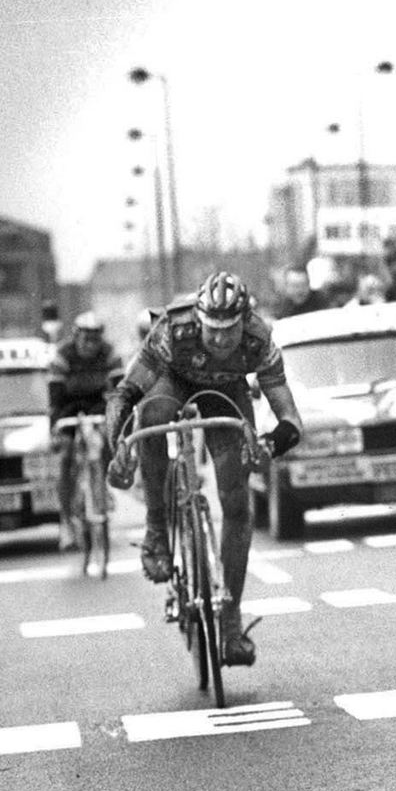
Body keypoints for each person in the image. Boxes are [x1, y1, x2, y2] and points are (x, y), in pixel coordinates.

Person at [103, 271, 303, 666]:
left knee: (237, 502)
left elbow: (291, 421)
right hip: (172, 380)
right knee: (152, 413)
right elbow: (124, 395)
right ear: (198, 318)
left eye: (229, 331)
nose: (218, 340)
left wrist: (268, 445)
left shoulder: (259, 340)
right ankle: (157, 529)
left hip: (227, 392)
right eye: (211, 329)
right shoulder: (173, 328)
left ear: (244, 321)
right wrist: (119, 448)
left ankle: (230, 625)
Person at [47, 313, 124, 551]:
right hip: (68, 403)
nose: (90, 344)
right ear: (76, 337)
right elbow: (55, 397)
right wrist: (57, 427)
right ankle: (66, 519)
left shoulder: (110, 353)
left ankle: (102, 484)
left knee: (110, 438)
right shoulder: (63, 355)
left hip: (97, 402)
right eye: (85, 339)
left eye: (95, 339)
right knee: (66, 456)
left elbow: (120, 389)